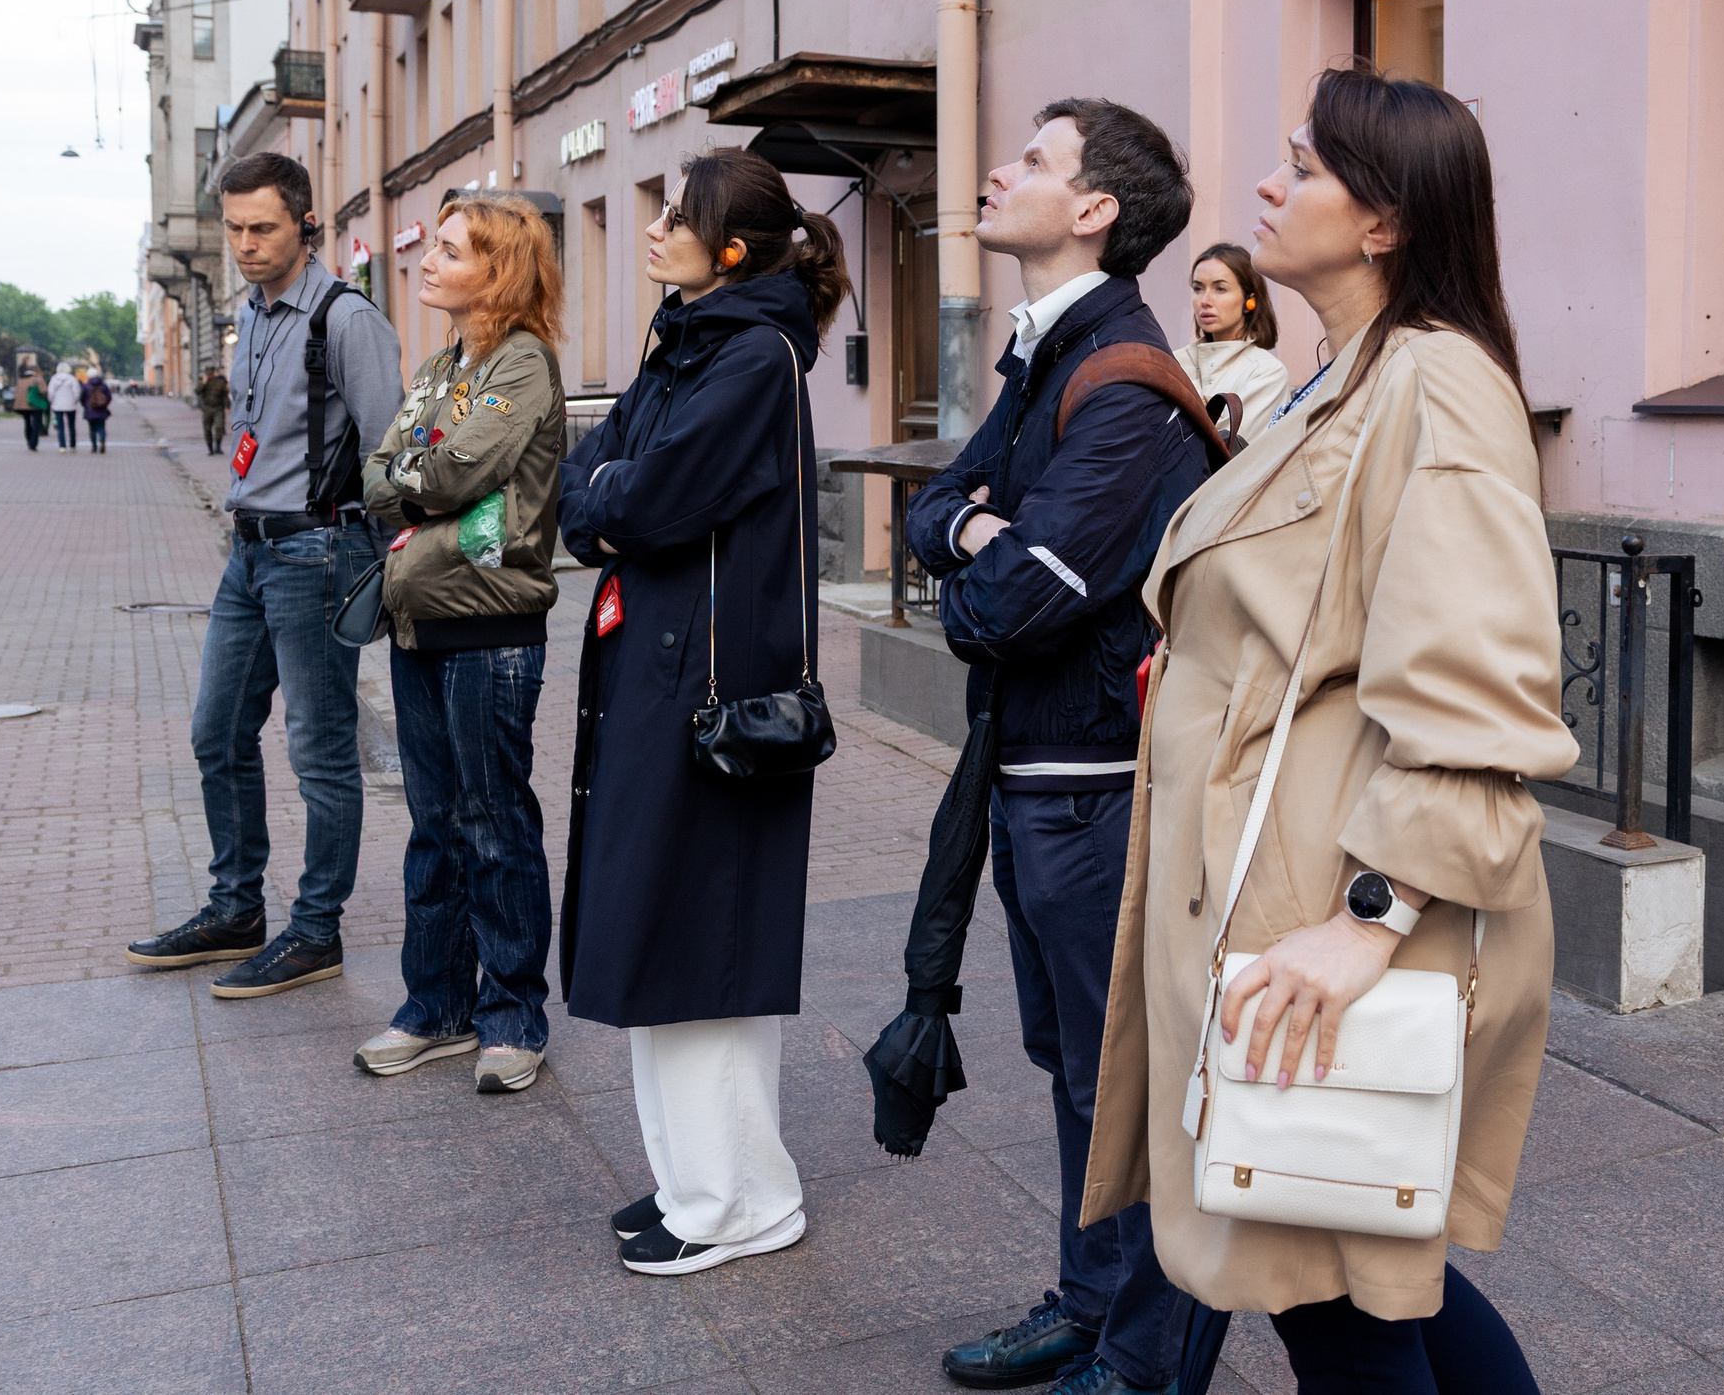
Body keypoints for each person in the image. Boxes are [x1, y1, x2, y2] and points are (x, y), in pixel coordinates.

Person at [1079, 68, 1579, 1395]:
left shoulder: (1437, 383)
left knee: (1330, 1287)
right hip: (1277, 888)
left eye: (1302, 166)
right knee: (1360, 1266)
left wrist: (1369, 917)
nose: (1266, 185)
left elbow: (1482, 683)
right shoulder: (1342, 379)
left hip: (1326, 906)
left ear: (1383, 220)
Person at [905, 100, 1213, 1395]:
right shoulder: (1047, 355)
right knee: (1076, 1070)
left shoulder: (1123, 381)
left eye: (1033, 159)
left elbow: (1003, 604)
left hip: (1098, 789)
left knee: (1123, 1083)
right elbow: (933, 504)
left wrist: (980, 545)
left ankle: (1142, 1359)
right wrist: (977, 529)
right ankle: (1090, 1306)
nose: (998, 169)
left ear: (1094, 210)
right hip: (1038, 778)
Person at [558, 148, 849, 1276]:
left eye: (675, 216)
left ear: (728, 249)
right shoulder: (692, 341)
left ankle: (738, 1201)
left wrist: (612, 500)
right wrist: (610, 499)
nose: (653, 228)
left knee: (700, 941)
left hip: (710, 691)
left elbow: (649, 498)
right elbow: (591, 478)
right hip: (667, 675)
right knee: (664, 929)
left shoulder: (753, 356)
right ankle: (698, 1181)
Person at [125, 152, 402, 996]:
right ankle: (236, 908)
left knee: (320, 749)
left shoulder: (346, 318)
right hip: (248, 552)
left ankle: (316, 930)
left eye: (262, 228)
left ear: (305, 224)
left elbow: (389, 453)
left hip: (317, 551)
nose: (245, 243)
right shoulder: (251, 312)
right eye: (234, 228)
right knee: (216, 730)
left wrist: (385, 567)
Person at [351, 196, 567, 1094]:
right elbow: (377, 471)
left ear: (498, 269)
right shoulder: (441, 367)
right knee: (434, 827)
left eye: (449, 250)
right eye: (432, 246)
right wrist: (415, 481)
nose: (429, 261)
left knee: (492, 822)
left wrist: (414, 480)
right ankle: (435, 1008)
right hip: (419, 623)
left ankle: (512, 1016)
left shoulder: (523, 363)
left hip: (489, 627)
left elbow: (450, 470)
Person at [1174, 241, 1289, 433]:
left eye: (1220, 289)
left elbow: (1227, 444)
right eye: (1198, 288)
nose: (1205, 301)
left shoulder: (1267, 372)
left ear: (1250, 300)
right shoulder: (1174, 362)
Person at [47, 362, 82, 451]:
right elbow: (76, 392)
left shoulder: (54, 379)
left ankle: (62, 446)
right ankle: (73, 445)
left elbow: (50, 392)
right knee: (71, 426)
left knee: (60, 426)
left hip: (57, 406)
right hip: (70, 405)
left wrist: (51, 401)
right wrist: (75, 401)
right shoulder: (72, 379)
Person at [197, 364, 231, 453]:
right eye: (208, 373)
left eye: (211, 373)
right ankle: (210, 449)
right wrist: (204, 383)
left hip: (218, 408)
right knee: (207, 429)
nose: (210, 375)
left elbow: (225, 395)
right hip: (207, 408)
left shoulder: (220, 381)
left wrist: (227, 406)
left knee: (219, 427)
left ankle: (218, 447)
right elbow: (197, 391)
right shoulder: (203, 381)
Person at [17, 359, 48, 451]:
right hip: (36, 405)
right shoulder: (38, 379)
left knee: (27, 423)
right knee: (36, 424)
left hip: (23, 406)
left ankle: (29, 441)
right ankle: (33, 444)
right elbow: (44, 391)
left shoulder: (21, 380)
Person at [80, 369, 113, 453]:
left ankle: (94, 447)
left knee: (92, 429)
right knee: (101, 428)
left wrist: (85, 406)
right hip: (101, 411)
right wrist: (104, 405)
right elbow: (109, 397)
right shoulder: (104, 386)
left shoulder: (86, 386)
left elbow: (82, 398)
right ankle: (102, 441)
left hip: (90, 411)